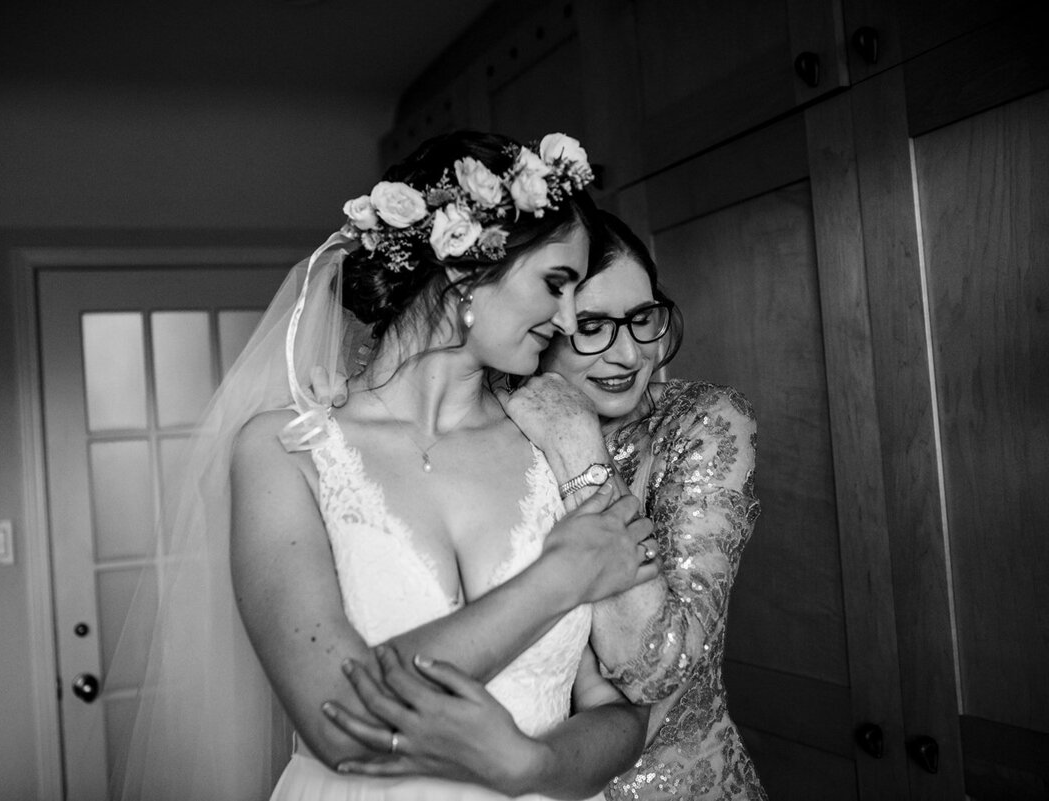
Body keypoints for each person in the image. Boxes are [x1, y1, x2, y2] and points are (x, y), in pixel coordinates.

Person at [112, 132, 665, 801]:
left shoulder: (557, 440)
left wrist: (529, 766)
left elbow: (630, 704)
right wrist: (559, 577)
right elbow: (338, 720)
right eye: (556, 284)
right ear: (466, 267)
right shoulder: (286, 452)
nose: (571, 317)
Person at [325, 211, 766, 799]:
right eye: (591, 326)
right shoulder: (488, 428)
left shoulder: (700, 422)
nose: (630, 355)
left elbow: (656, 667)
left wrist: (578, 444)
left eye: (642, 320)